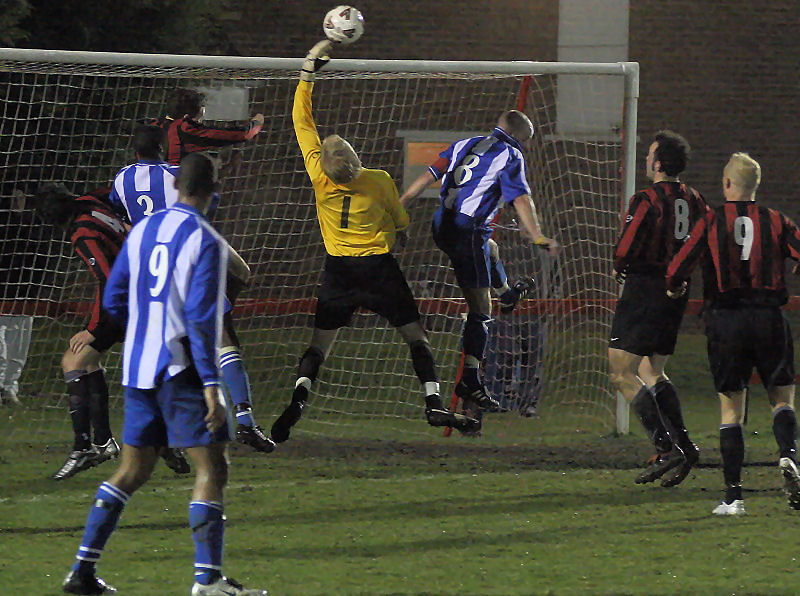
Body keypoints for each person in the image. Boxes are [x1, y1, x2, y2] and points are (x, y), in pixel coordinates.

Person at [62, 153, 268, 596]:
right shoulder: (206, 240)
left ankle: (81, 571)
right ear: (214, 192)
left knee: (132, 471)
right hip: (180, 372)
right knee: (213, 466)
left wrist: (144, 330)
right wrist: (212, 386)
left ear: (177, 187)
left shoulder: (140, 232)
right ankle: (208, 581)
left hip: (137, 369)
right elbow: (201, 318)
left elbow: (115, 297)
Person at [270, 40, 478, 443]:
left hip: (339, 272)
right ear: (353, 157)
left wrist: (307, 72)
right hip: (379, 269)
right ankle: (434, 401)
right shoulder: (378, 180)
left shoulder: (318, 175)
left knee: (319, 346)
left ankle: (297, 400)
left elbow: (302, 120)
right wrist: (395, 225)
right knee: (416, 337)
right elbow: (401, 221)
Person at [109, 125, 274, 453]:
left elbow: (120, 211)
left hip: (147, 268)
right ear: (162, 147)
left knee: (167, 344)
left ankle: (161, 427)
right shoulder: (176, 176)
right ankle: (244, 420)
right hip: (183, 256)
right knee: (221, 337)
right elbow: (202, 207)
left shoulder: (121, 179)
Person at [400, 106, 558, 430]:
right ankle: (470, 378)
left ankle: (508, 294)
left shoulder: (465, 143)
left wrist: (399, 208)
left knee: (493, 248)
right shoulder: (511, 154)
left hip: (441, 223)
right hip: (467, 231)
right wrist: (536, 234)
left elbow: (427, 177)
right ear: (519, 139)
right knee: (480, 308)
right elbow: (523, 201)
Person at [666, 153, 800, 515]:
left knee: (731, 408)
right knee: (782, 397)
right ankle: (789, 456)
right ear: (756, 187)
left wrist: (674, 288)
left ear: (727, 184)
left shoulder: (711, 221)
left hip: (726, 320)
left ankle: (733, 497)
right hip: (769, 317)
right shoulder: (776, 220)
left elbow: (678, 267)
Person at [609, 130, 709, 488]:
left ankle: (664, 446)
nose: (647, 159)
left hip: (646, 287)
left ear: (659, 162)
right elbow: (702, 240)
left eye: (650, 154)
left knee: (621, 372)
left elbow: (626, 247)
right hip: (676, 289)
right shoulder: (697, 200)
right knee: (653, 371)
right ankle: (685, 445)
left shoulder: (646, 199)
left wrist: (619, 263)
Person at [35, 186, 128, 480]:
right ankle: (101, 443)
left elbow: (108, 280)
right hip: (139, 288)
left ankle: (86, 447)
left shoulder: (82, 235)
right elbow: (111, 192)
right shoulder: (89, 202)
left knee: (73, 361)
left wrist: (92, 329)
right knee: (83, 362)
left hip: (126, 298)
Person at [150, 88, 264, 166]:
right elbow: (247, 133)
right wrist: (258, 119)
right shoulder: (186, 129)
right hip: (171, 189)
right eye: (202, 109)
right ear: (188, 116)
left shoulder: (153, 124)